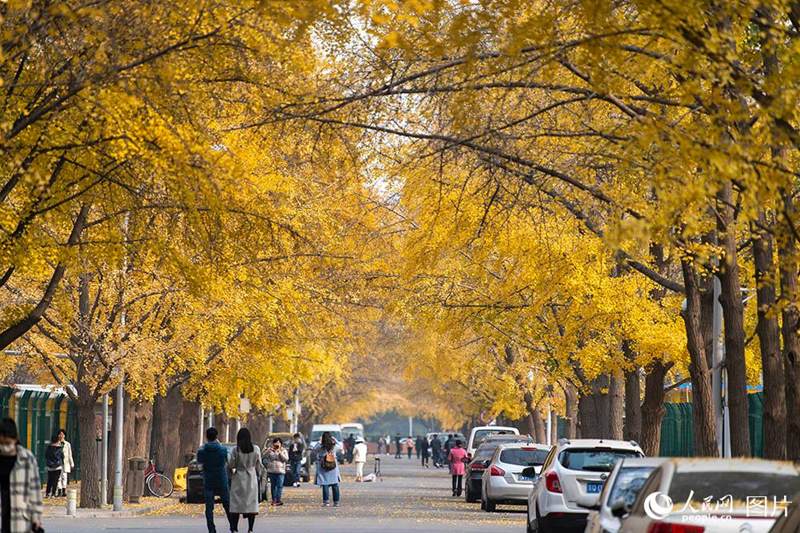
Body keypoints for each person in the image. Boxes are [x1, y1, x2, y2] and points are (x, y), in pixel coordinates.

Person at [0, 418, 42, 533]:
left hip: (20, 518)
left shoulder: (26, 458)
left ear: (15, 439)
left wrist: (36, 518)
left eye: (7, 443)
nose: (4, 447)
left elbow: (35, 490)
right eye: (1, 443)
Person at [227, 428, 264, 533]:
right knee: (251, 505)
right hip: (251, 477)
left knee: (236, 505)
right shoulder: (256, 449)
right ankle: (250, 528)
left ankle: (234, 528)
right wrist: (260, 476)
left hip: (238, 477)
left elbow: (231, 464)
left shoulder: (236, 450)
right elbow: (259, 465)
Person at [196, 427, 230, 533]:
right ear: (217, 436)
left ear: (206, 436)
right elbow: (227, 461)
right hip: (221, 478)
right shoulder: (223, 449)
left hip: (208, 480)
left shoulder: (202, 451)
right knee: (227, 504)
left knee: (209, 507)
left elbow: (199, 465)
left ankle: (211, 529)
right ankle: (233, 525)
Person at [315, 431, 341, 507]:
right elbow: (340, 447)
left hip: (323, 467)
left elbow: (314, 449)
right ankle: (336, 502)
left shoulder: (320, 447)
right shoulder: (333, 447)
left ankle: (326, 502)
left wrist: (319, 441)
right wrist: (334, 439)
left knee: (325, 483)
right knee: (335, 484)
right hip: (333, 467)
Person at [264, 437, 289, 506]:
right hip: (272, 470)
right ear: (273, 444)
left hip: (280, 471)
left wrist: (280, 452)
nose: (277, 444)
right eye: (275, 442)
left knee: (280, 486)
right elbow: (264, 456)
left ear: (281, 444)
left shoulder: (283, 450)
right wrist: (268, 451)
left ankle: (278, 499)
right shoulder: (270, 451)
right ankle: (274, 500)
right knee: (273, 486)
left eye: (278, 443)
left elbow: (286, 459)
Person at [44, 434, 63, 499]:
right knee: (55, 480)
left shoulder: (48, 448)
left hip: (50, 467)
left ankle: (47, 493)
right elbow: (62, 456)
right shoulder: (60, 448)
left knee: (49, 480)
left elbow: (46, 456)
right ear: (57, 440)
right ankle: (53, 494)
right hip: (58, 467)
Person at [56, 428, 73, 498]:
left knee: (64, 477)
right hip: (58, 463)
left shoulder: (68, 444)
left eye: (62, 434)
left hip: (65, 463)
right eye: (60, 434)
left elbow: (70, 454)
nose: (61, 436)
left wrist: (72, 463)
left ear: (64, 436)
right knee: (58, 477)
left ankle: (64, 490)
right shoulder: (56, 443)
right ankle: (59, 490)